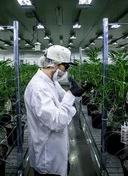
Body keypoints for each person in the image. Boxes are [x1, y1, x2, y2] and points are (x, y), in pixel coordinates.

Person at [24, 45, 86, 176]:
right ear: (54, 64)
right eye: (66, 66)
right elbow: (56, 122)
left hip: (57, 150)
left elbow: (64, 100)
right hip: (47, 155)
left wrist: (77, 93)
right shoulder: (38, 88)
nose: (67, 70)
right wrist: (70, 95)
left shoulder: (51, 81)